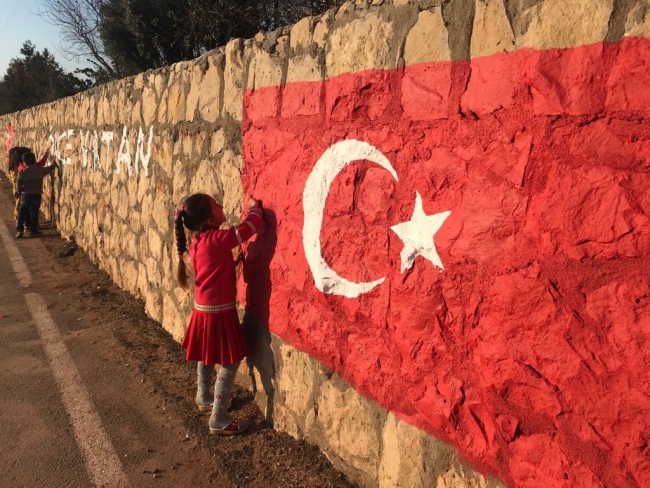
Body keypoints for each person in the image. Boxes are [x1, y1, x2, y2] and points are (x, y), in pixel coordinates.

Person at [173, 193, 263, 435]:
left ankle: (203, 396)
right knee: (230, 361)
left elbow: (211, 269)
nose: (222, 206)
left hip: (202, 311)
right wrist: (255, 208)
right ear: (211, 219)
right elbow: (250, 228)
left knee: (206, 354)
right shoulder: (219, 239)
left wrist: (232, 264)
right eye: (216, 205)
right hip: (219, 312)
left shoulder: (197, 242)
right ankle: (219, 418)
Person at [15, 151, 57, 238]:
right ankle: (33, 230)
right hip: (36, 195)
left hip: (25, 195)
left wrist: (20, 192)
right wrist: (54, 163)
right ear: (34, 161)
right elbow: (50, 168)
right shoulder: (40, 170)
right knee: (34, 213)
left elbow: (18, 185)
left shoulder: (22, 172)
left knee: (22, 213)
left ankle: (20, 230)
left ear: (24, 162)